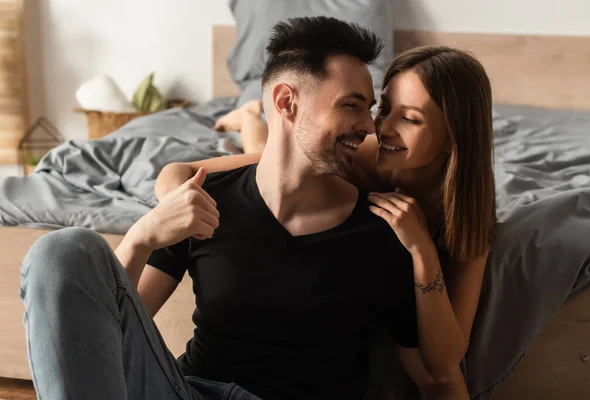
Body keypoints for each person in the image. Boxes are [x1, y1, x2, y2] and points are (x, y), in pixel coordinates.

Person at [20, 16, 423, 400]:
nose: (369, 127)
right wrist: (142, 236)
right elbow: (107, 330)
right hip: (187, 390)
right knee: (61, 251)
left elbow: (435, 374)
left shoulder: (381, 229)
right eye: (351, 105)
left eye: (368, 109)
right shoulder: (207, 198)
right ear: (286, 102)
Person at [156, 46, 497, 399]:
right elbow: (183, 173)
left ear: (453, 136)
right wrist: (174, 220)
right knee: (269, 147)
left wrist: (421, 250)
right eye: (384, 108)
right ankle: (248, 118)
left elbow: (445, 363)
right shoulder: (362, 158)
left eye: (409, 119)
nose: (380, 129)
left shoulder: (466, 208)